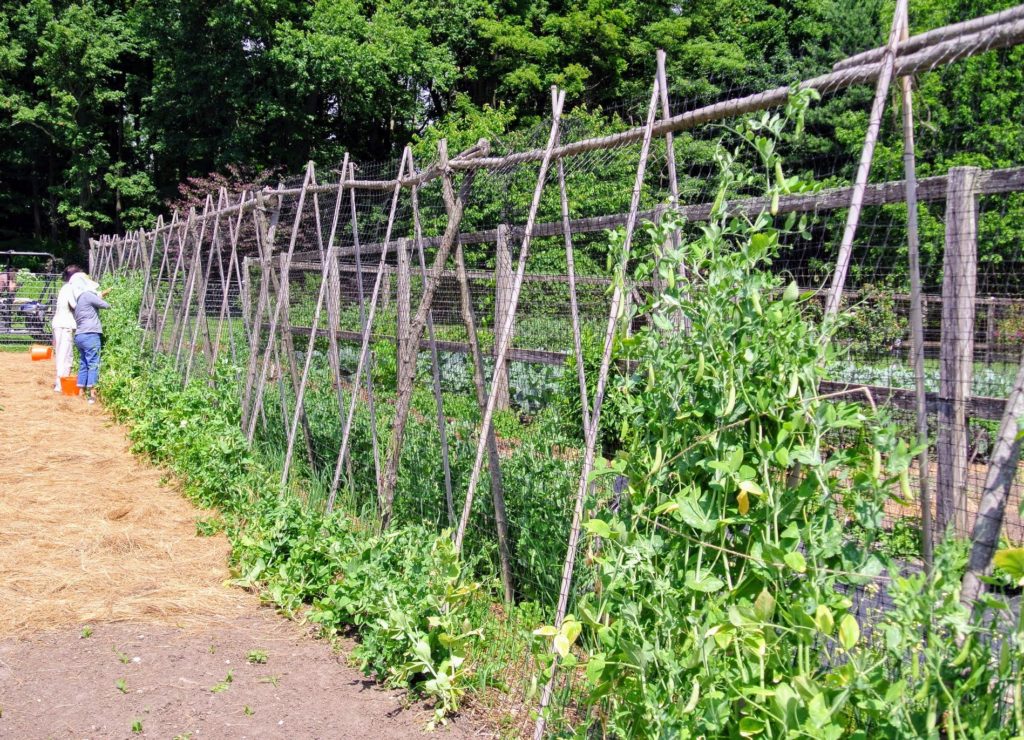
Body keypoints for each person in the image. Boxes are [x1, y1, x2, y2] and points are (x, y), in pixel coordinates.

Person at [70, 273, 110, 404]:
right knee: (93, 363)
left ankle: (80, 391)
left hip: (79, 336)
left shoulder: (78, 300)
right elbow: (105, 305)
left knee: (84, 363)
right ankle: (92, 394)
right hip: (90, 334)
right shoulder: (87, 295)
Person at [51, 265, 81, 392]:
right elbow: (74, 305)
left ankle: (59, 383)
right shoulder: (70, 288)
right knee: (66, 355)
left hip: (58, 323)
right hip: (65, 325)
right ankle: (61, 384)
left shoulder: (64, 288)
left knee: (60, 354)